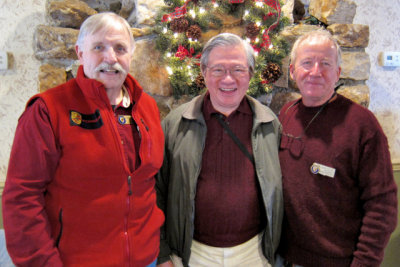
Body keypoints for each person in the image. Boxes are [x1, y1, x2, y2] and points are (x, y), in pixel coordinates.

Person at [2, 12, 165, 267]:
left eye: (120, 48)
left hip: (147, 259)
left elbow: (150, 185)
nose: (110, 58)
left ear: (131, 56)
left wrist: (161, 252)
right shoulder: (48, 110)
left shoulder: (147, 107)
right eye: (98, 47)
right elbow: (22, 198)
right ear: (80, 53)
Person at [156, 33, 283, 267]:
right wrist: (163, 255)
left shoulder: (269, 124)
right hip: (192, 255)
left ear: (250, 74)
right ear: (204, 73)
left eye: (237, 69)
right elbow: (157, 192)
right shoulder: (174, 124)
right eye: (217, 70)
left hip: (253, 254)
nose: (228, 79)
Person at [277, 29, 398, 266]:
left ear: (338, 73)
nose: (315, 72)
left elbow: (382, 204)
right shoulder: (286, 114)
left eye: (325, 63)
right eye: (307, 62)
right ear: (292, 71)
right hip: (286, 257)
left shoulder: (362, 125)